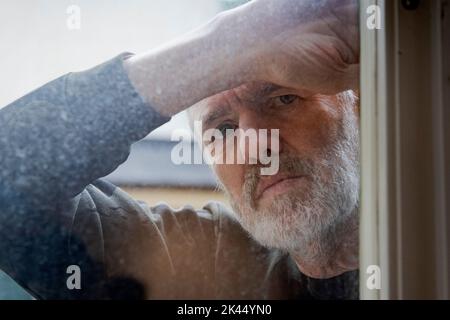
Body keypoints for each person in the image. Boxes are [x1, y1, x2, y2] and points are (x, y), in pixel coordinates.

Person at [0, 0, 360, 299]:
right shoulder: (204, 260)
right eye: (223, 129)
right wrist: (227, 41)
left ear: (361, 107)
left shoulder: (417, 245)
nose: (253, 148)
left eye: (284, 99)